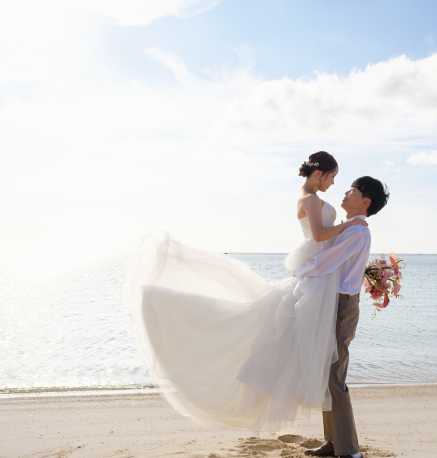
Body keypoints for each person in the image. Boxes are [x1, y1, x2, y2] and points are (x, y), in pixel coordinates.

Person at [121, 151, 367, 435]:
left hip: (318, 273)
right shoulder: (310, 199)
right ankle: (263, 390)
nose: (334, 183)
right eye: (333, 176)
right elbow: (318, 235)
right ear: (319, 173)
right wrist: (351, 223)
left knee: (298, 340)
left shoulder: (309, 197)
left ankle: (309, 413)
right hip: (314, 273)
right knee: (289, 334)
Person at [298, 176, 390, 458]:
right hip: (334, 302)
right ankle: (334, 441)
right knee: (327, 372)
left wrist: (298, 272)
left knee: (335, 376)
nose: (346, 192)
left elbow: (327, 262)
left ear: (365, 201)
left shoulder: (356, 231)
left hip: (341, 307)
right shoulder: (352, 228)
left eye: (353, 190)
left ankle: (351, 453)